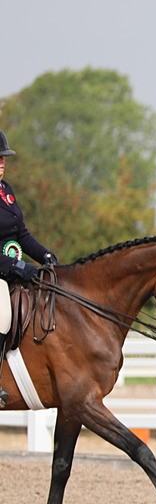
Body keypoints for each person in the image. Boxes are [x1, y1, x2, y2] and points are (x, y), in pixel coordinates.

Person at [0, 129, 58, 407]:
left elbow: (21, 234)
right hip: (2, 272)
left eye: (3, 158)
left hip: (12, 269)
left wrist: (46, 256)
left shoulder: (6, 191)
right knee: (2, 315)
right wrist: (17, 267)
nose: (2, 162)